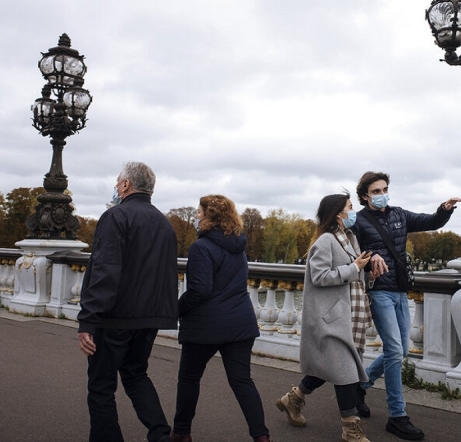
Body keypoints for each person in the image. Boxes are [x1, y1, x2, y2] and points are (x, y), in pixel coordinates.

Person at [351, 171, 461, 441]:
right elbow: (349, 252)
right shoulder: (358, 221)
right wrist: (369, 255)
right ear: (365, 196)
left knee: (399, 352)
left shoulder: (400, 214)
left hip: (400, 290)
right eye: (376, 191)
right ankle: (397, 416)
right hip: (378, 292)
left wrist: (444, 210)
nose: (382, 195)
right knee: (393, 350)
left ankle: (361, 386)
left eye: (385, 189)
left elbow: (431, 222)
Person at [77, 162, 178, 442]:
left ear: (125, 185)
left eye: (117, 182)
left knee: (101, 388)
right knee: (136, 375)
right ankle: (161, 435)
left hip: (114, 318)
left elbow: (105, 272)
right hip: (148, 318)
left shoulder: (116, 217)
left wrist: (88, 319)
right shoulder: (164, 224)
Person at [275, 193, 376, 442]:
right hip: (330, 319)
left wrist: (367, 273)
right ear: (338, 213)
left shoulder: (350, 238)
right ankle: (350, 427)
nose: (354, 212)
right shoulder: (325, 241)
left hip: (347, 314)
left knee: (331, 367)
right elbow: (320, 277)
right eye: (350, 208)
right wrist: (355, 269)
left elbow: (352, 276)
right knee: (346, 372)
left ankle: (294, 399)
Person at [171, 195, 271, 442]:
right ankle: (262, 437)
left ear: (209, 216)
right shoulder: (238, 246)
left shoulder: (200, 247)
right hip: (240, 323)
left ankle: (182, 433)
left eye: (199, 212)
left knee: (189, 379)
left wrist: (176, 309)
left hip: (206, 326)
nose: (196, 216)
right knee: (242, 382)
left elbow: (200, 290)